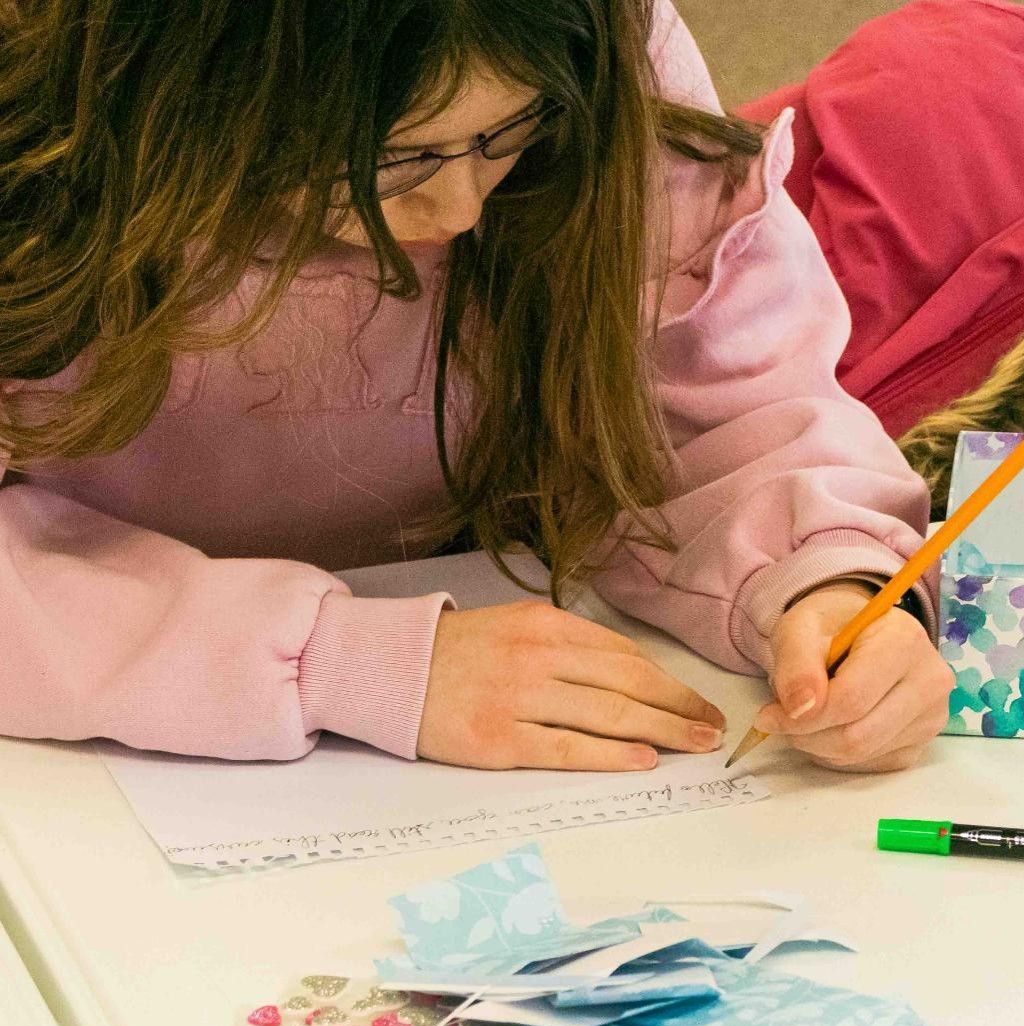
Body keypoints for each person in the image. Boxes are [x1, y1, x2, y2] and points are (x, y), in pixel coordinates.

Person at [0, 0, 953, 773]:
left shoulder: (609, 61)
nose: (460, 208)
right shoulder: (37, 127)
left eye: (511, 129)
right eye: (397, 157)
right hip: (84, 720)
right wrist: (340, 662)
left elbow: (723, 395)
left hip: (497, 652)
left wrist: (829, 582)